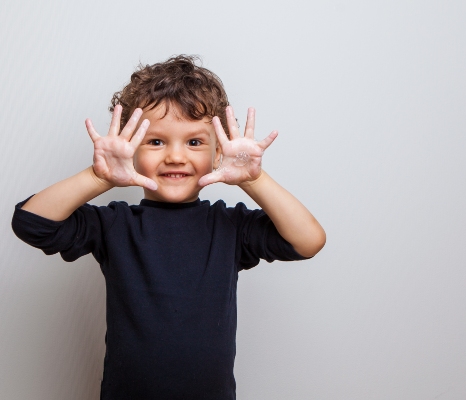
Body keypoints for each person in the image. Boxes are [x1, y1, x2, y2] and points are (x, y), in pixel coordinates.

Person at [11, 55, 326, 400]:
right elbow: (30, 222)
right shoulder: (114, 224)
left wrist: (254, 180)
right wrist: (98, 177)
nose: (175, 156)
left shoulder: (230, 226)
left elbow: (309, 241)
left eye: (194, 142)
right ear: (132, 150)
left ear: (218, 153)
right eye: (156, 141)